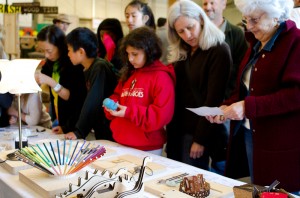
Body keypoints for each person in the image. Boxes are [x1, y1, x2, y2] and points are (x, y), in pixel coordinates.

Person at [207, 0, 300, 193]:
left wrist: (248, 107)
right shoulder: (257, 43)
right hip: (252, 134)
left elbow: (295, 94)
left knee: (280, 192)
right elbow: (246, 88)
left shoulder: (295, 42)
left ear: (276, 15)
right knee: (260, 189)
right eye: (245, 20)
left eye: (255, 20)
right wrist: (227, 108)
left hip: (280, 141)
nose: (249, 27)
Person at [166, 0, 232, 175]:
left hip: (198, 132)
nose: (188, 35)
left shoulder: (219, 50)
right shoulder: (183, 52)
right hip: (177, 129)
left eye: (190, 27)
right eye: (181, 31)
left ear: (201, 20)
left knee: (194, 184)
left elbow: (214, 99)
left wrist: (200, 139)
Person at [104, 26, 175, 155]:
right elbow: (117, 94)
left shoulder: (161, 77)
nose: (130, 59)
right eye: (128, 54)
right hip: (121, 141)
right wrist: (112, 103)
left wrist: (129, 112)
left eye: (135, 54)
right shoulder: (130, 72)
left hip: (147, 148)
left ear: (149, 51)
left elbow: (160, 115)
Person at [65, 27, 117, 140]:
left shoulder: (99, 67)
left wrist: (79, 132)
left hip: (110, 129)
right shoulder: (87, 68)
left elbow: (93, 101)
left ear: (81, 51)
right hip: (101, 127)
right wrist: (67, 127)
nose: (68, 54)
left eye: (69, 50)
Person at [35, 25, 86, 135]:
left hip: (75, 122)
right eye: (43, 51)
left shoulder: (72, 63)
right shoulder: (51, 63)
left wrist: (50, 81)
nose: (46, 55)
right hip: (61, 119)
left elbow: (70, 96)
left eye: (49, 51)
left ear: (59, 45)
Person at [202, 0, 248, 99]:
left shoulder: (237, 34)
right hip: (201, 100)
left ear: (223, 4)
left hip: (227, 99)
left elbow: (242, 69)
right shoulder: (198, 34)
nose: (208, 7)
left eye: (212, 3)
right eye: (205, 4)